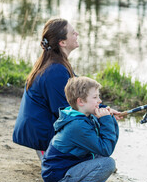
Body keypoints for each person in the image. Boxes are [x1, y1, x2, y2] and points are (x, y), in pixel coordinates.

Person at [12, 18, 120, 159]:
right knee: (89, 124)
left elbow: (80, 96)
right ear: (62, 42)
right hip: (41, 134)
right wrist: (98, 114)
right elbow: (66, 109)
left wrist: (104, 110)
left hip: (40, 129)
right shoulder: (55, 70)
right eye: (72, 33)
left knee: (99, 120)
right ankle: (50, 155)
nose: (77, 33)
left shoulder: (57, 63)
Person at [41, 76, 118, 182]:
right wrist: (107, 121)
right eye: (95, 97)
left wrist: (110, 118)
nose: (100, 101)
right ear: (81, 101)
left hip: (62, 169)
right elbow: (106, 149)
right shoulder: (77, 125)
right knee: (108, 163)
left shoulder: (79, 114)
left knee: (100, 156)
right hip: (57, 180)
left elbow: (105, 145)